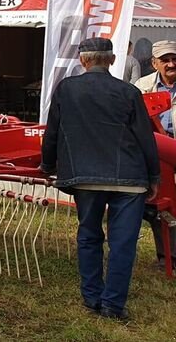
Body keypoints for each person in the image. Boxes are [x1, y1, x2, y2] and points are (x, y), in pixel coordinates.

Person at [41, 37, 159, 321]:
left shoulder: (66, 89)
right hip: (129, 178)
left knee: (89, 235)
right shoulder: (129, 92)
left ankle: (92, 297)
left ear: (82, 61)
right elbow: (145, 137)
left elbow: (52, 132)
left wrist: (47, 166)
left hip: (85, 176)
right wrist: (154, 176)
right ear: (113, 60)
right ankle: (112, 306)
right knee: (123, 243)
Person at [133, 39, 176, 136]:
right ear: (154, 64)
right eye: (165, 61)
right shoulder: (142, 85)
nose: (171, 64)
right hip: (155, 144)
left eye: (174, 59)